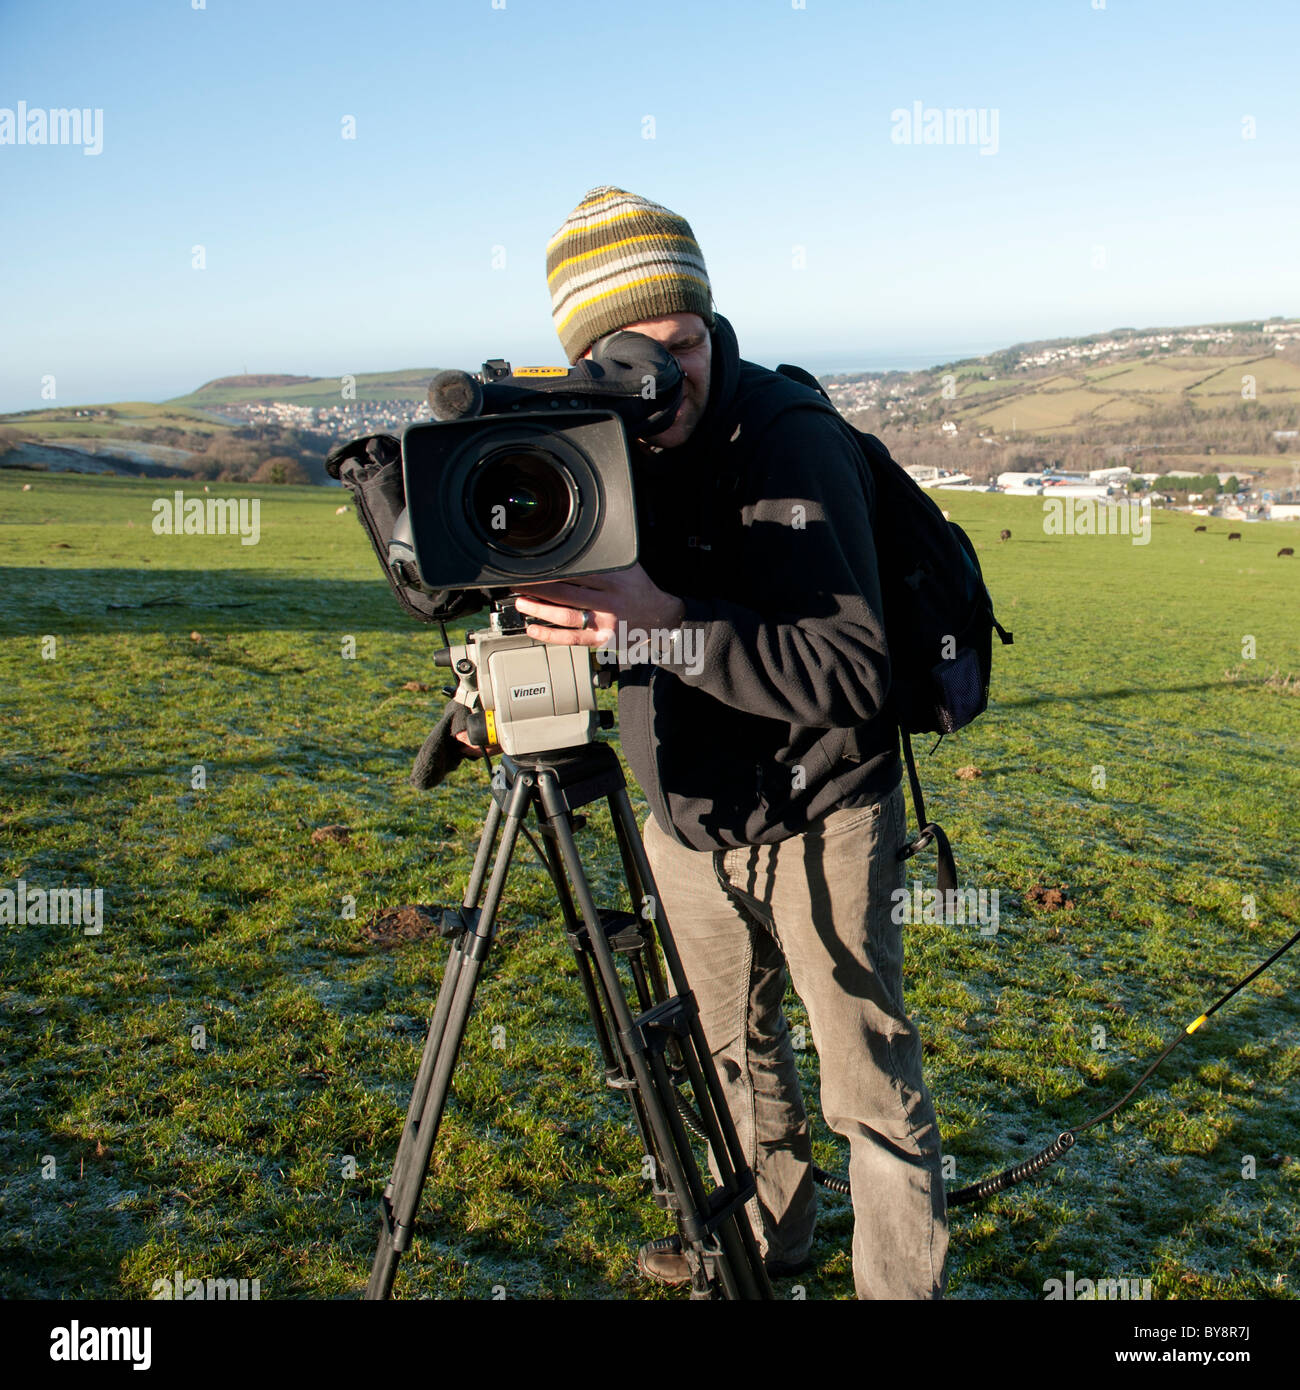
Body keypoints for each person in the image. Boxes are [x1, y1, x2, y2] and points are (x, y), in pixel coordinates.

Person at [459, 186, 948, 1299]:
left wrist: (657, 626)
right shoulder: (591, 444)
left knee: (864, 1084)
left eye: (684, 340)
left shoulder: (791, 441)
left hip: (824, 803)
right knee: (732, 1059)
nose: (664, 376)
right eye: (628, 351)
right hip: (685, 811)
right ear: (580, 353)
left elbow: (849, 671)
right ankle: (763, 1242)